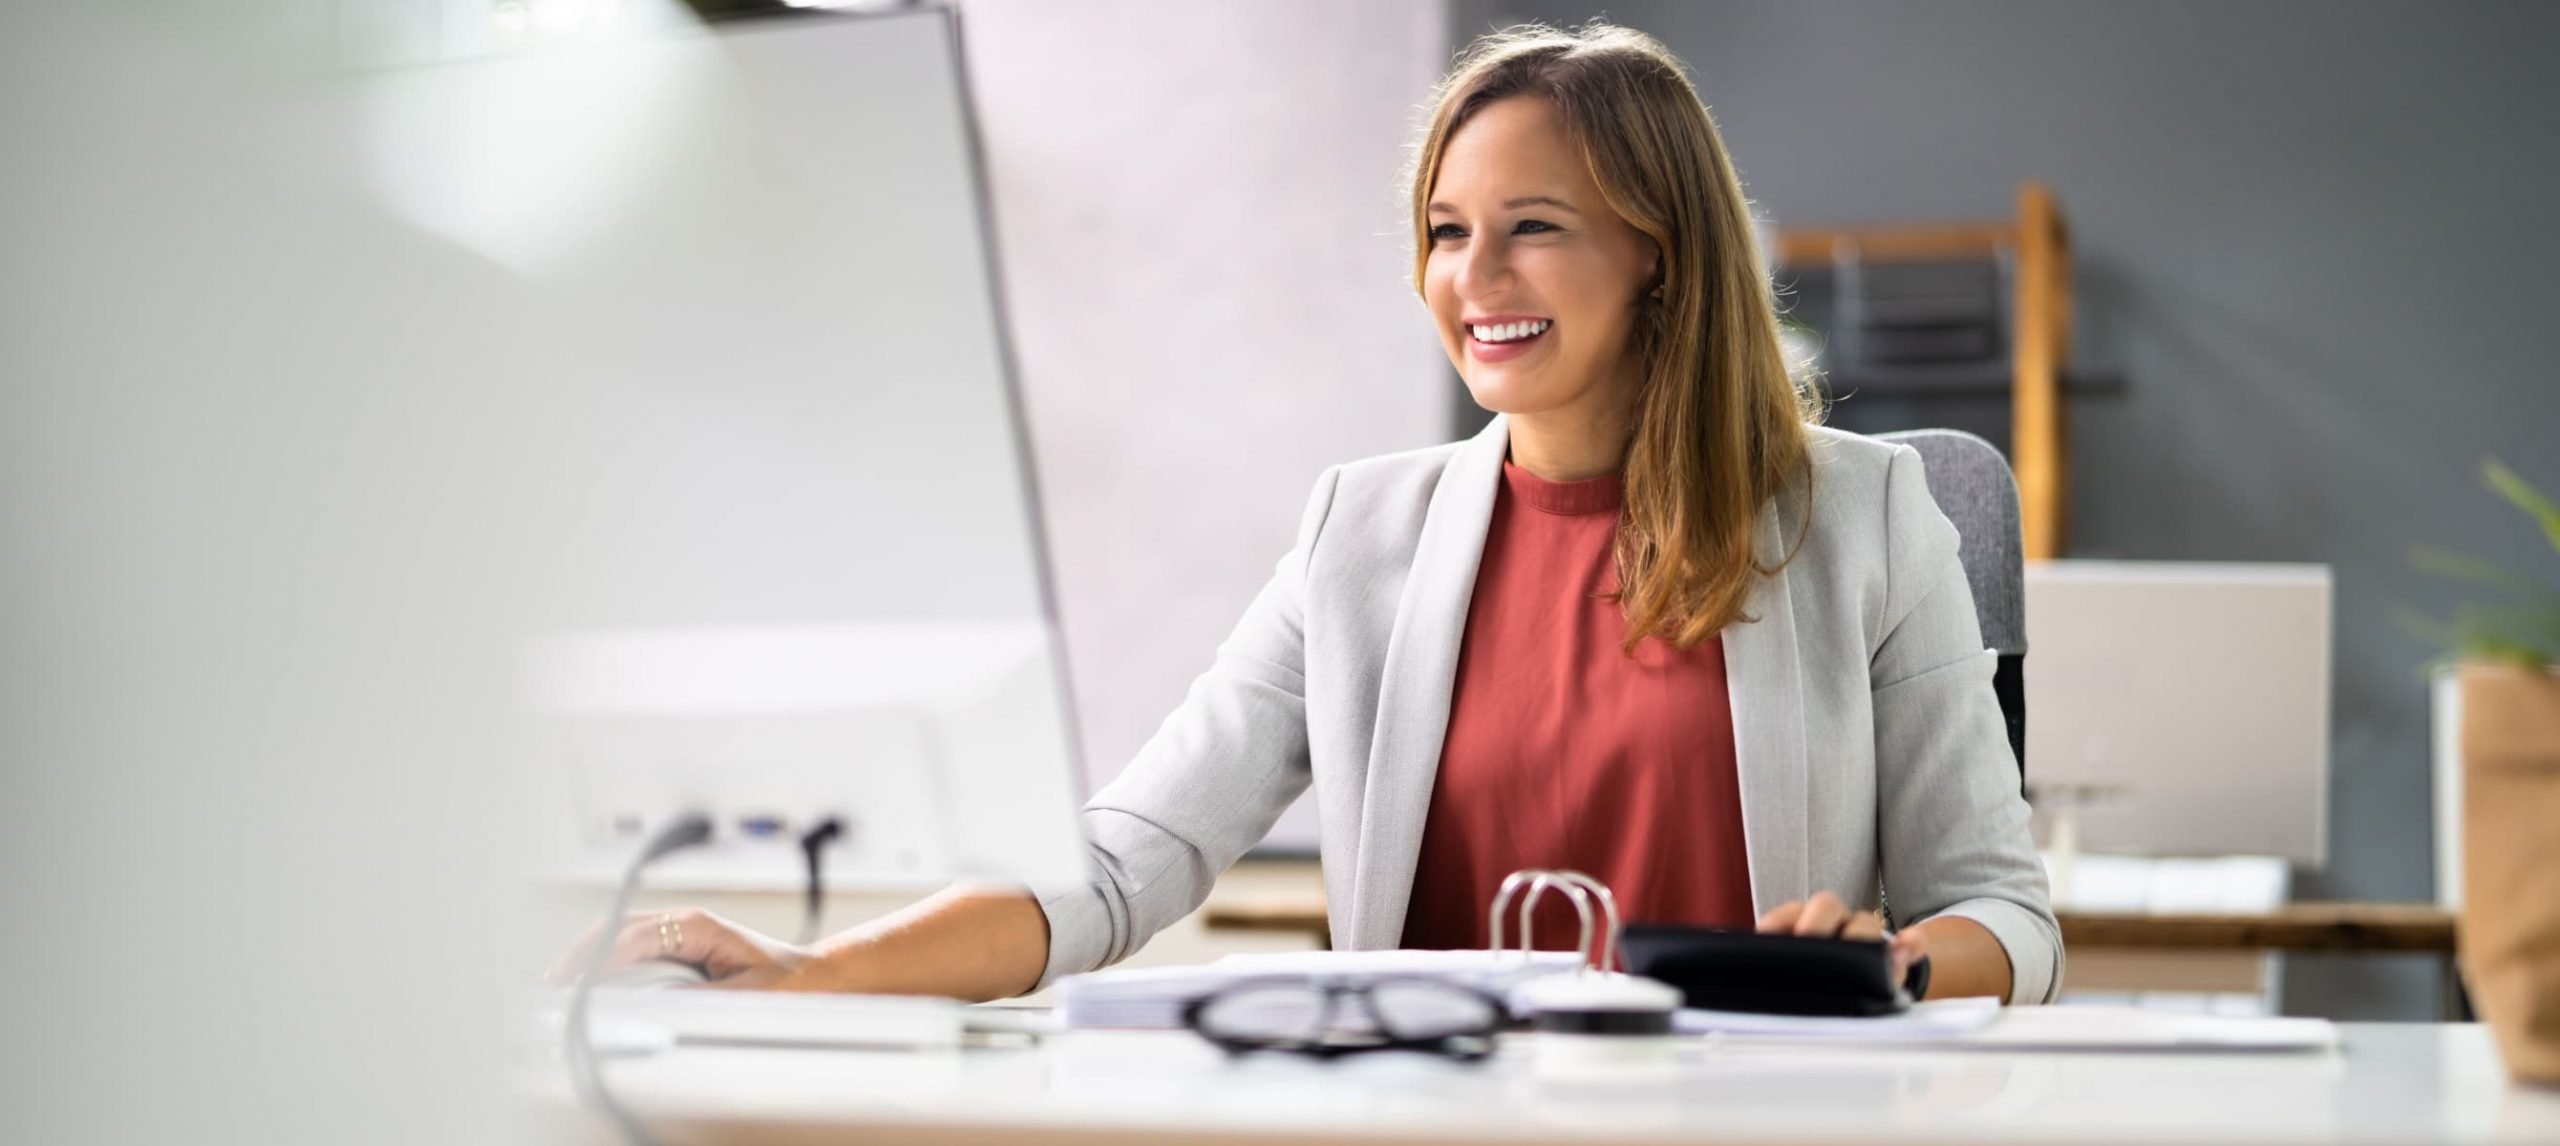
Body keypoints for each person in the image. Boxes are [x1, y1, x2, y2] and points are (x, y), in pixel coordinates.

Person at [563, 21, 2061, 1005]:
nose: (1473, 282)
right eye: (1444, 233)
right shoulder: (1365, 533)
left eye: (1533, 230)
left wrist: (1899, 963)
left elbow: (2007, 912)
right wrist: (812, 972)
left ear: (1660, 257)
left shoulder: (1868, 518)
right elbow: (1115, 863)